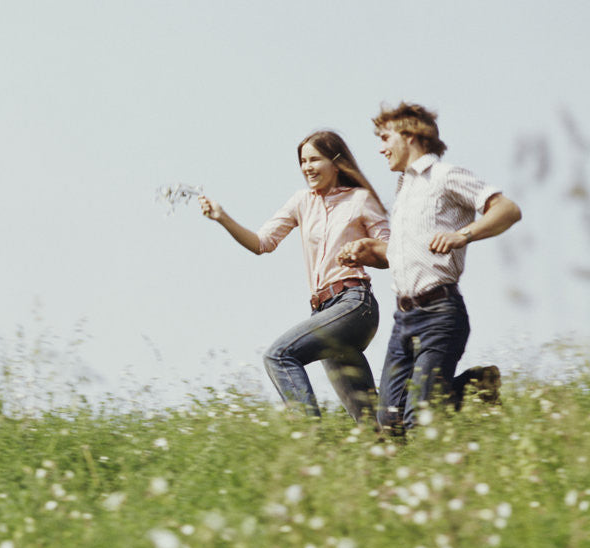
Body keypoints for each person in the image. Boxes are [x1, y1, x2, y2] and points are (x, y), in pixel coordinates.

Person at [338, 102, 522, 432]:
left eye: (385, 138)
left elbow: (507, 210)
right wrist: (369, 251)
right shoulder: (404, 188)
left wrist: (462, 235)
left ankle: (475, 386)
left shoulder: (445, 176)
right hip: (403, 320)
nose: (381, 149)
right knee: (389, 423)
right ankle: (474, 384)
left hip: (440, 314)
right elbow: (403, 254)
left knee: (418, 422)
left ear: (409, 135)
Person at [199, 130, 390, 423]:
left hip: (354, 305)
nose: (307, 167)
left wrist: (362, 250)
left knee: (278, 355)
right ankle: (397, 446)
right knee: (371, 424)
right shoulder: (302, 201)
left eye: (315, 159)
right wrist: (222, 217)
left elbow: (391, 253)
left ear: (336, 162)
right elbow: (262, 243)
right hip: (323, 312)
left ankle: (310, 440)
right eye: (302, 161)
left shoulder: (361, 199)